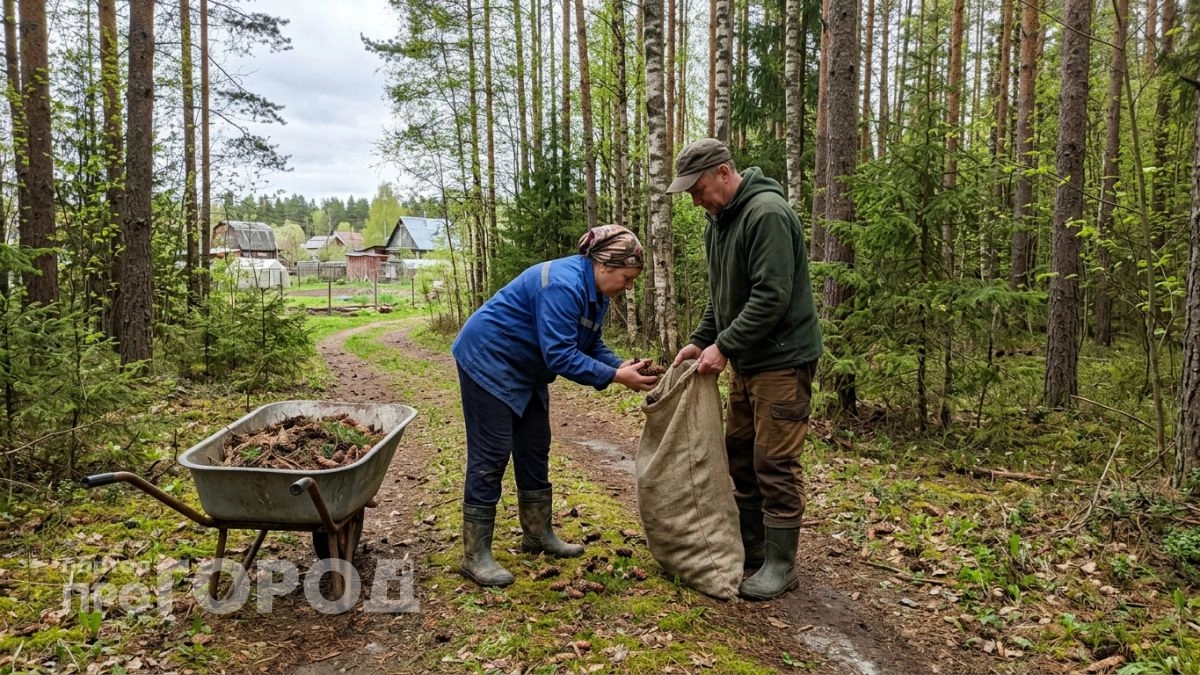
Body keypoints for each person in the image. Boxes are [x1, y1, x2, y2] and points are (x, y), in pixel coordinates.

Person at [451, 224, 659, 587]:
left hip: (527, 368)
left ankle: (536, 535)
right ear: (604, 266)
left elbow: (590, 345)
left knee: (534, 446)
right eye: (627, 278)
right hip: (488, 360)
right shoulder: (562, 285)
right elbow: (561, 355)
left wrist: (619, 365)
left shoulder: (596, 292)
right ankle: (475, 556)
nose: (629, 287)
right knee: (493, 453)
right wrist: (613, 378)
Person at [667, 138, 823, 600]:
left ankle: (781, 564)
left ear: (722, 172)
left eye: (697, 190)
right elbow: (723, 300)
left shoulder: (766, 215)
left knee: (773, 460)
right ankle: (753, 548)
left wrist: (725, 347)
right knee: (739, 449)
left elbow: (771, 297)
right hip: (750, 359)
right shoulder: (718, 223)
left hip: (783, 359)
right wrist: (700, 341)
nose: (695, 202)